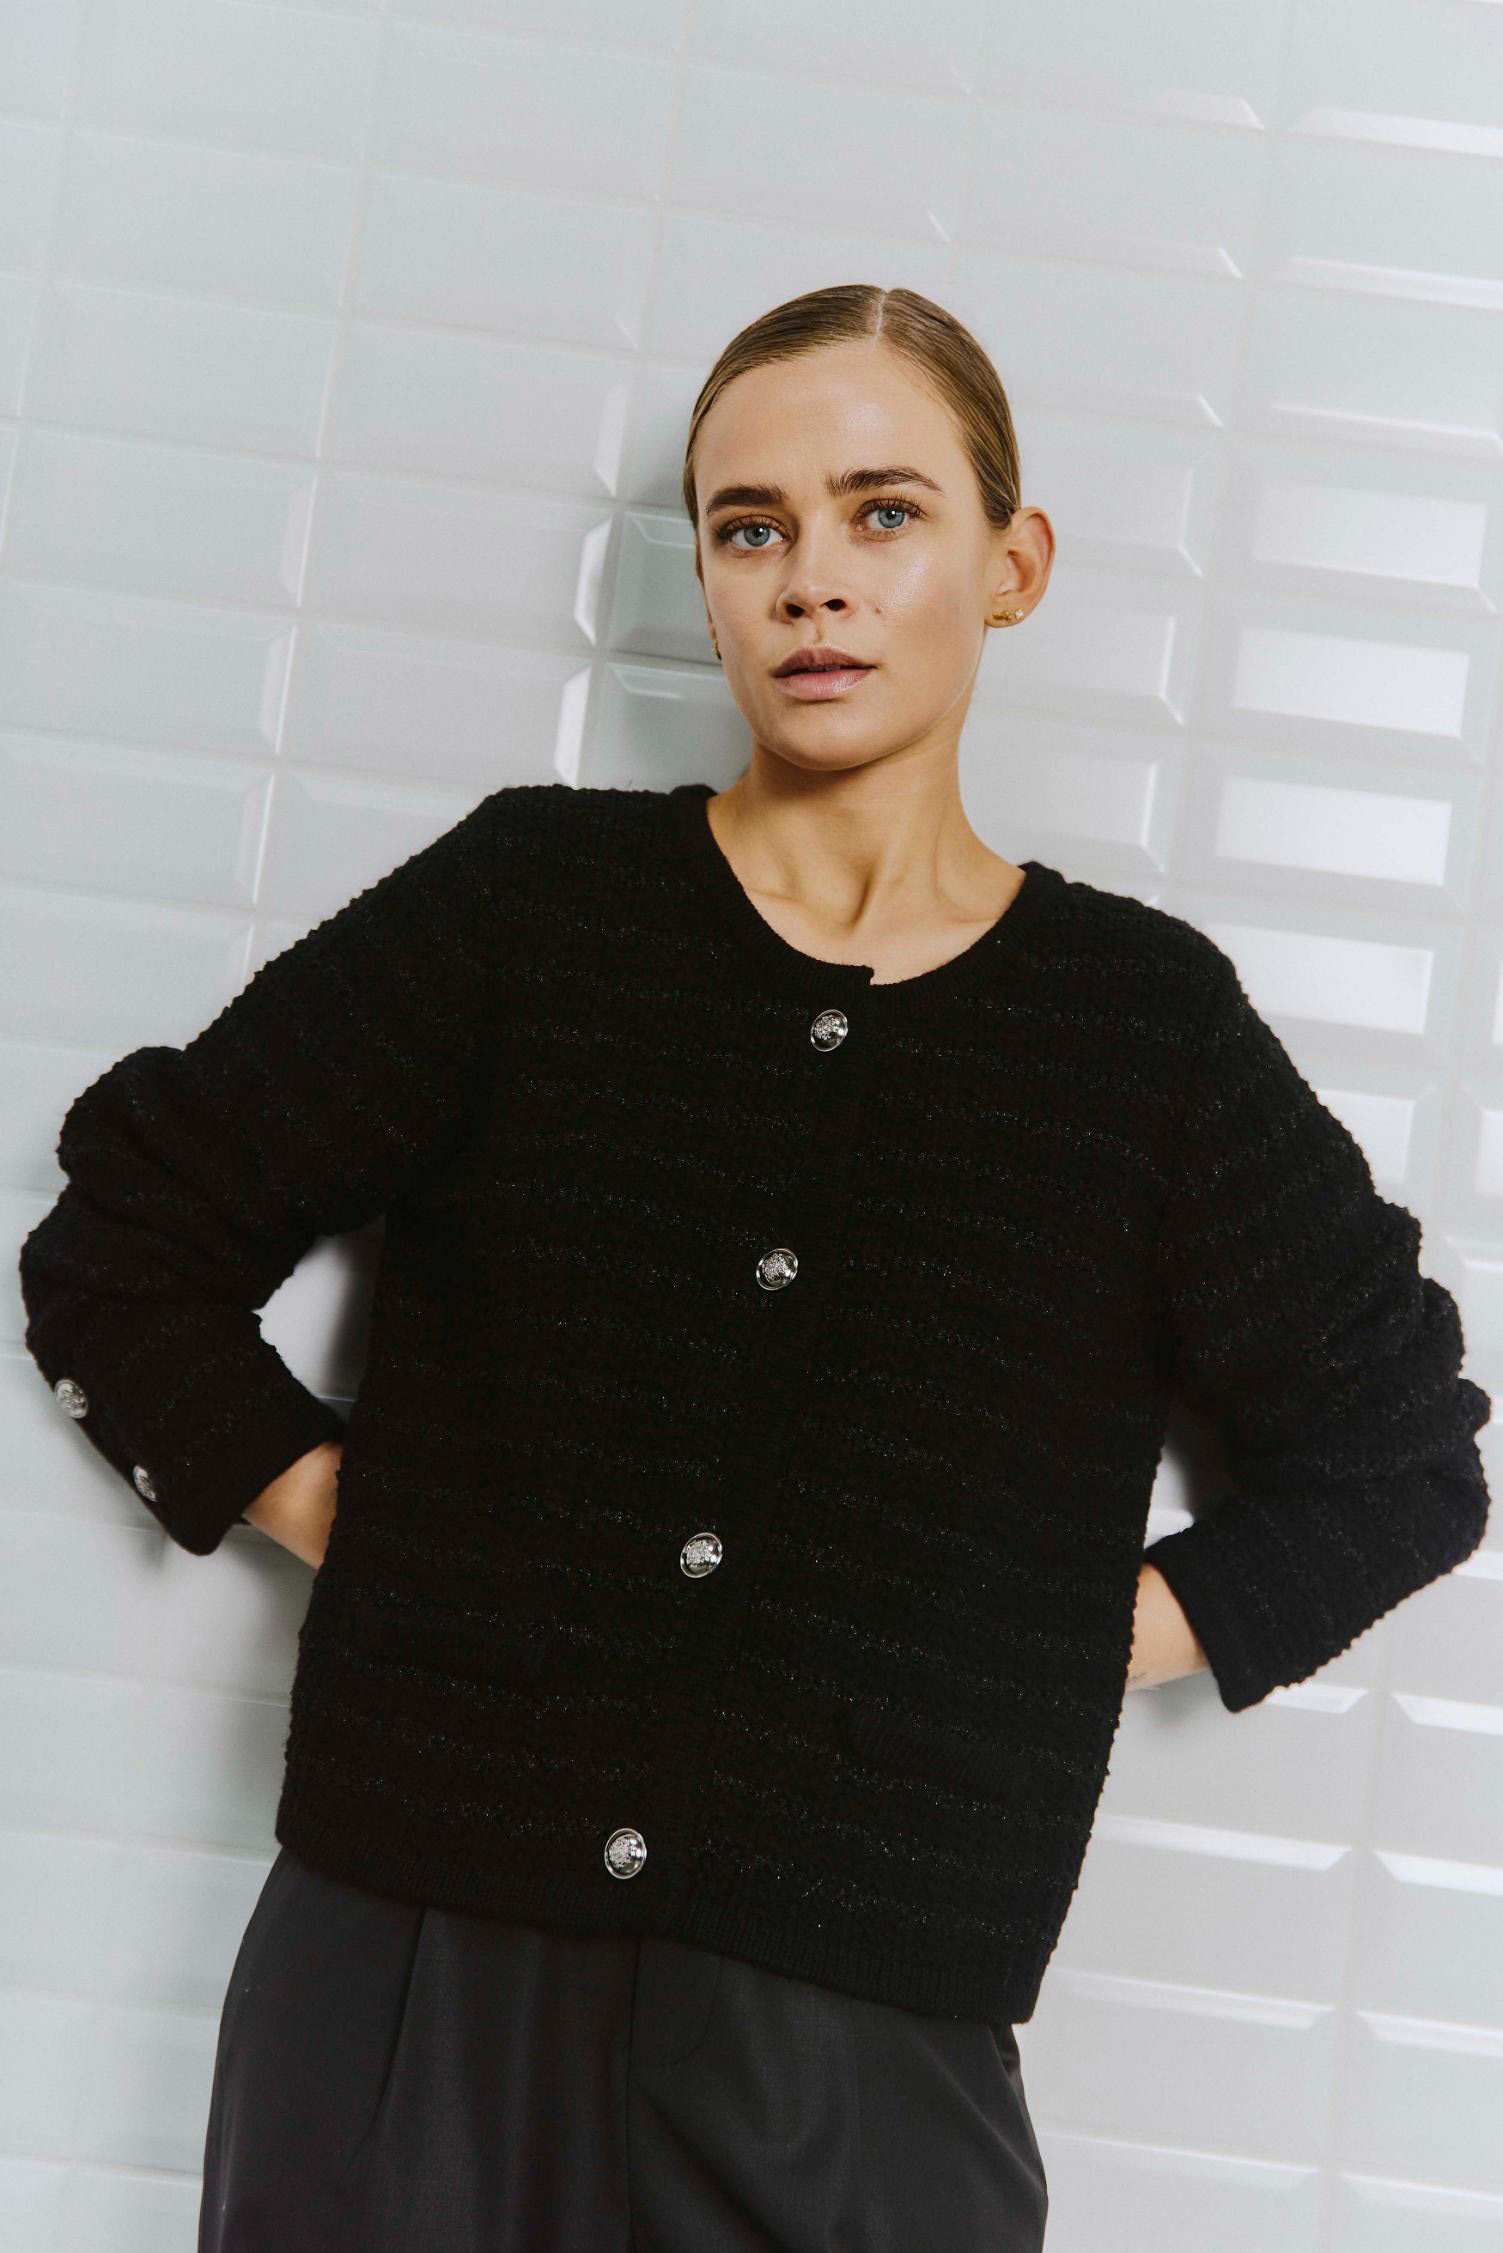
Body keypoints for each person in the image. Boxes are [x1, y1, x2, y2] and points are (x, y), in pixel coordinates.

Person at [19, 285, 1489, 2251]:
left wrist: (1046, 1649)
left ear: (1012, 562)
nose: (814, 579)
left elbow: (1403, 1458)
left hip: (865, 2039)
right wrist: (370, 1526)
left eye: (883, 512)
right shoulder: (535, 906)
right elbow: (120, 1242)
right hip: (407, 1980)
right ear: (706, 584)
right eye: (749, 526)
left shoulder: (1137, 1036)